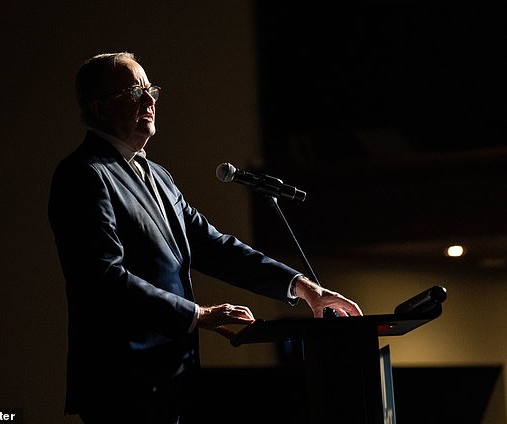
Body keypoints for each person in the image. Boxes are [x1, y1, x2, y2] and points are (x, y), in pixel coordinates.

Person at [48, 51, 363, 423]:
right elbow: (102, 277)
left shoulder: (158, 176)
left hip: (171, 380)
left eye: (150, 90)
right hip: (122, 383)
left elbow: (213, 245)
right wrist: (198, 314)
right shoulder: (84, 174)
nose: (149, 101)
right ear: (99, 109)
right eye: (135, 92)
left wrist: (301, 287)